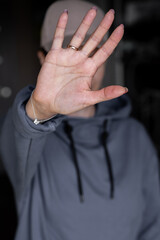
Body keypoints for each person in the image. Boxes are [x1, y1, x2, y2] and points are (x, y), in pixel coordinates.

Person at [0, 0, 160, 239]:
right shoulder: (29, 137)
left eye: (93, 51)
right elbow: (23, 131)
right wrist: (39, 110)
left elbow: (154, 223)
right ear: (43, 58)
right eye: (70, 52)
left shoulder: (134, 135)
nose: (83, 68)